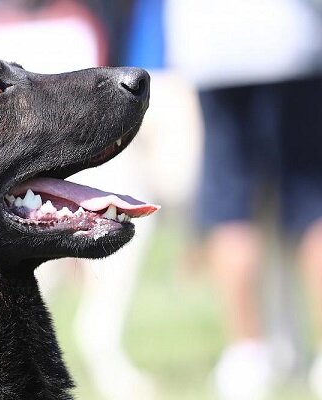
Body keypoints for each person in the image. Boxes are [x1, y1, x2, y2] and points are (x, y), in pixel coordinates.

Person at [166, 0, 322, 398]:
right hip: (293, 35)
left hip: (214, 45)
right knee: (312, 202)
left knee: (228, 203)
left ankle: (247, 355)